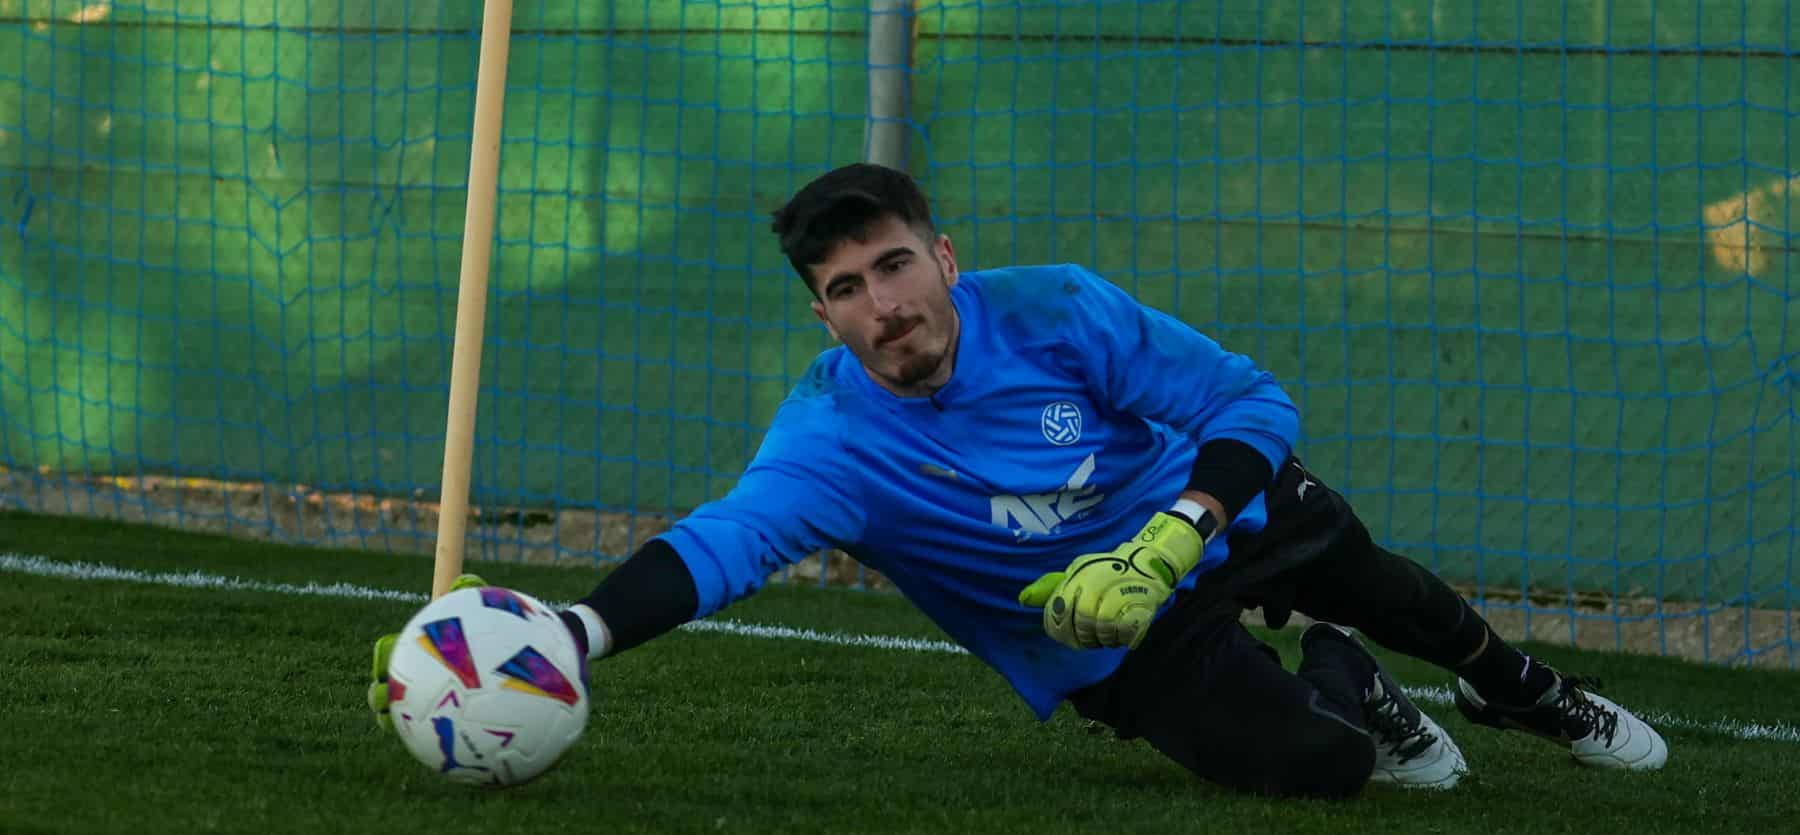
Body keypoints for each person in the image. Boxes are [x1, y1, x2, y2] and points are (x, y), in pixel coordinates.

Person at [370, 163, 1667, 797]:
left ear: (943, 257)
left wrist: (1179, 529)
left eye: (893, 266)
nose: (882, 304)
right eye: (845, 289)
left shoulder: (1055, 310)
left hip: (1199, 516)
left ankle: (1525, 691)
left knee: (1387, 584)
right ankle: (1352, 688)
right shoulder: (832, 441)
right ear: (822, 315)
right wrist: (575, 634)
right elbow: (723, 543)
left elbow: (1251, 405)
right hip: (1104, 643)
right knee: (1319, 773)